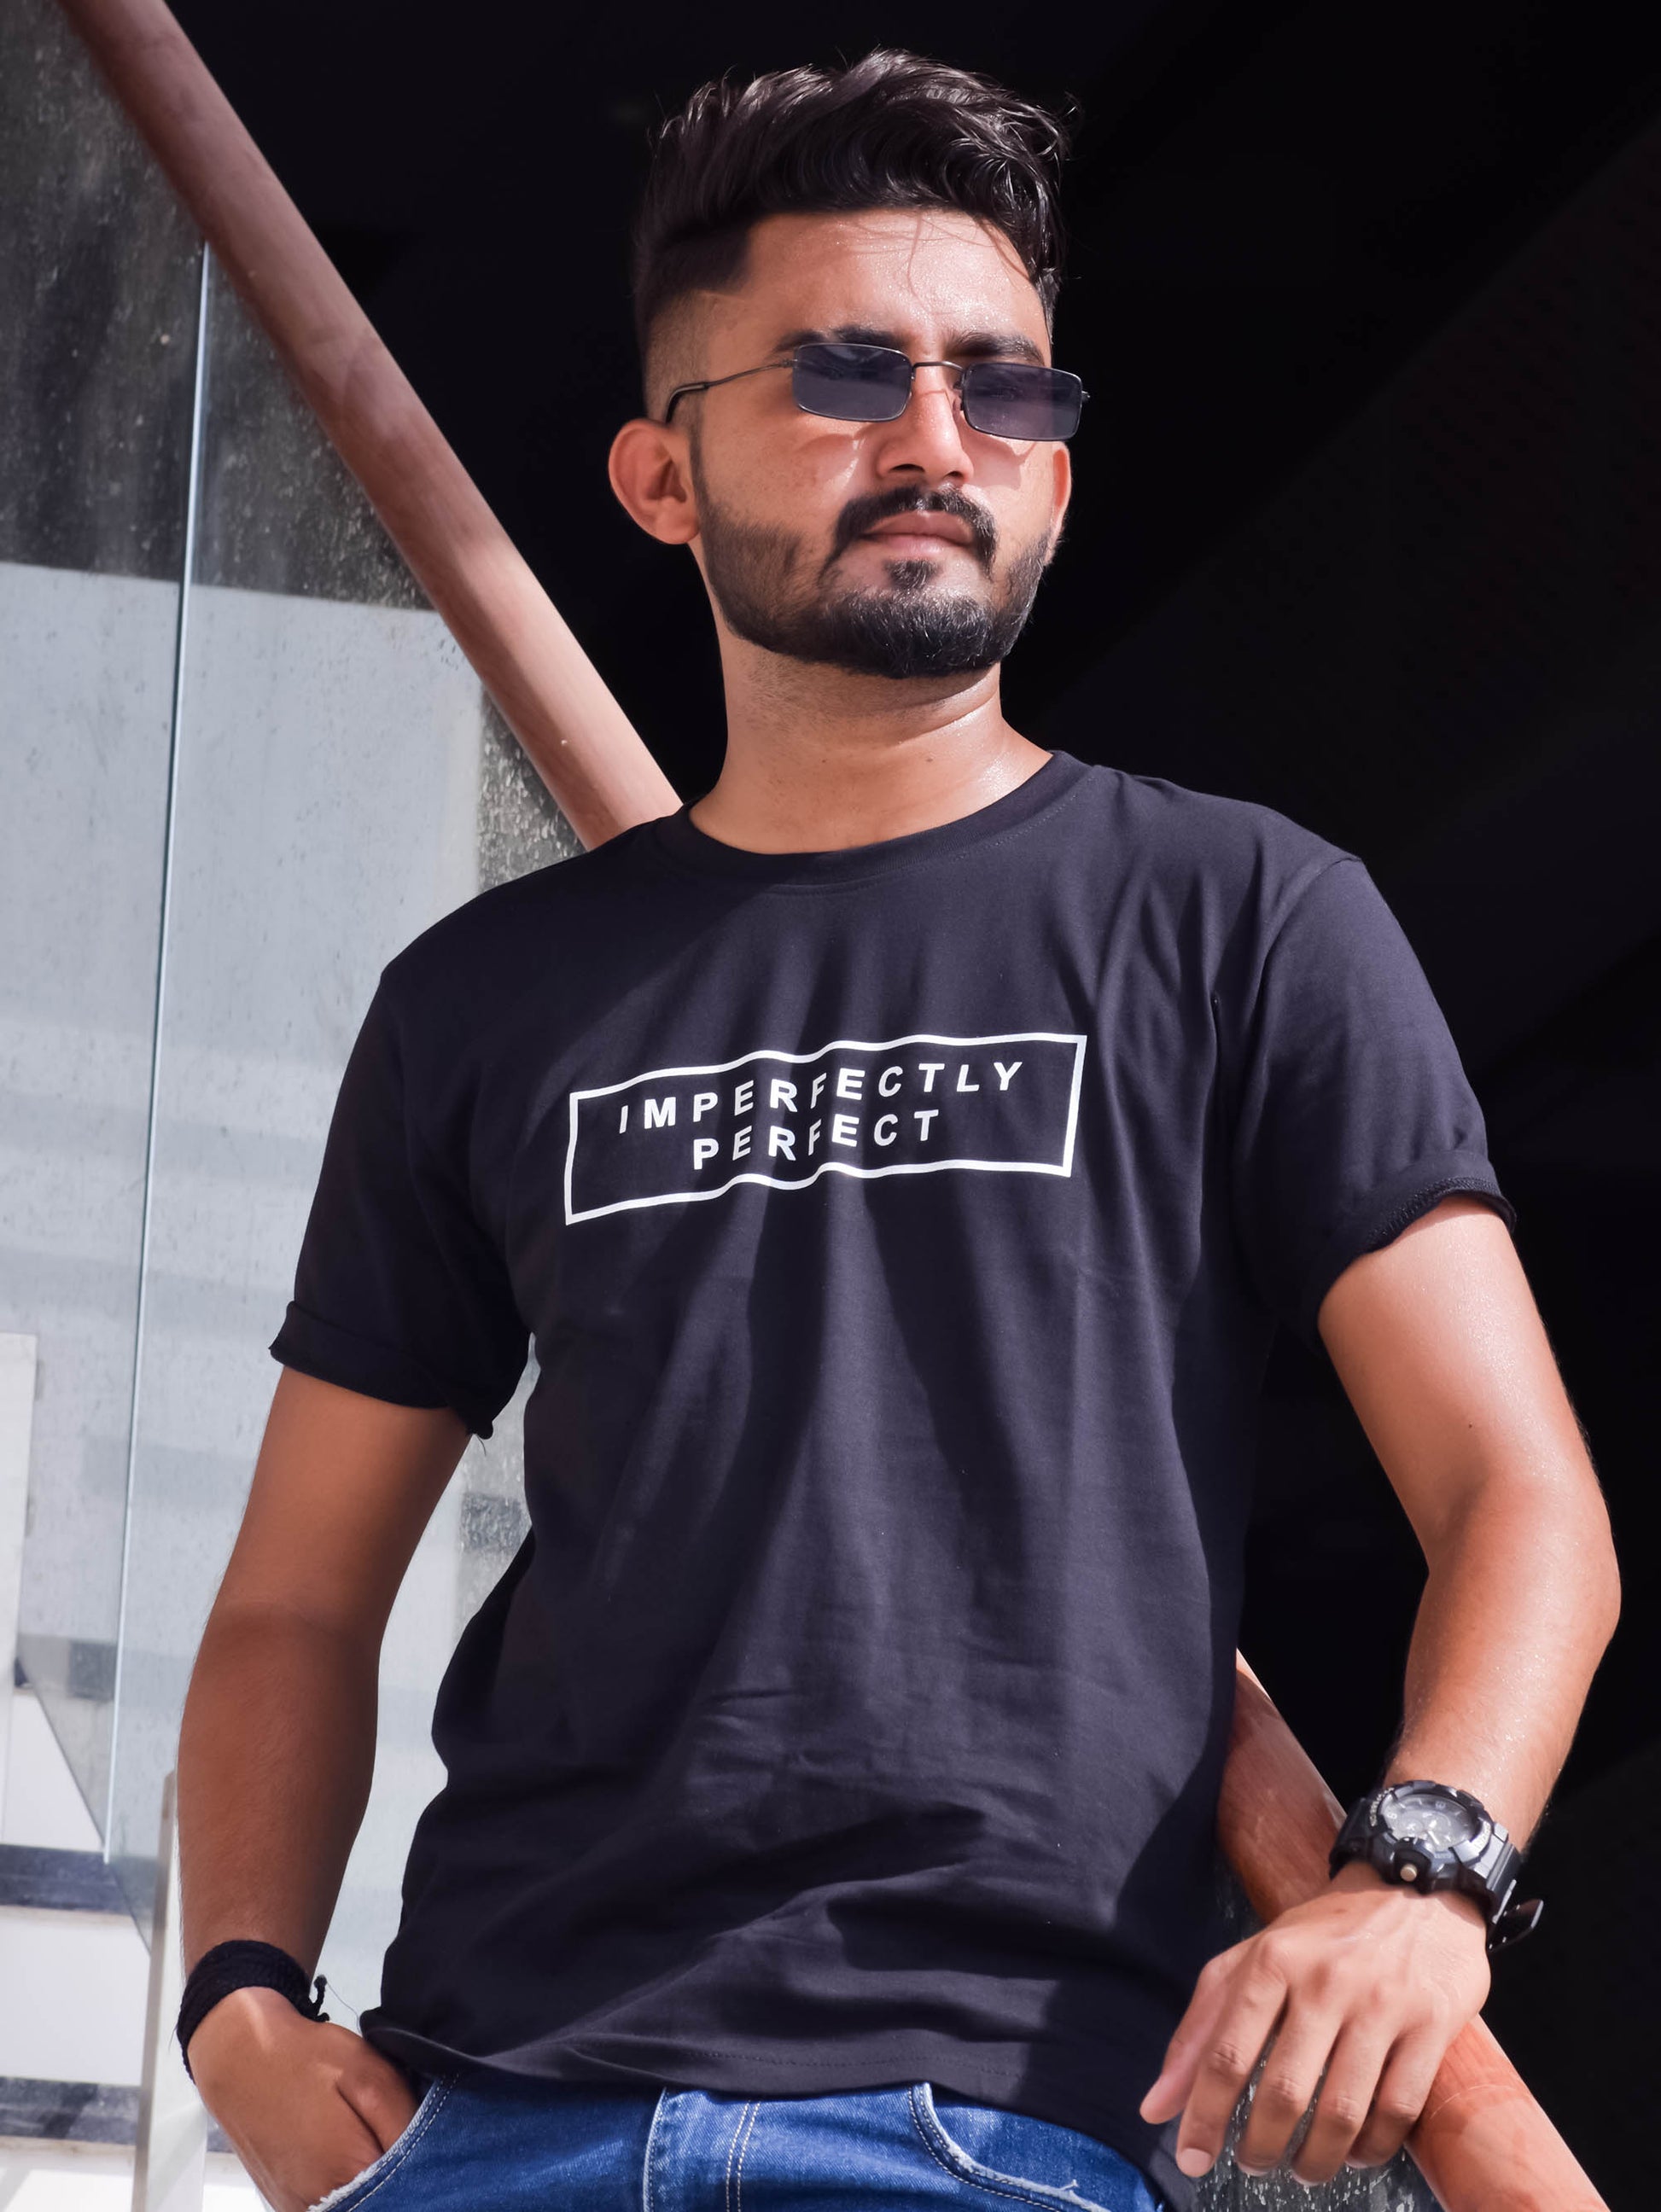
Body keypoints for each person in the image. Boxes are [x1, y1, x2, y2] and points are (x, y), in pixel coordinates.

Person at [174, 49, 1619, 2212]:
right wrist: (237, 1997)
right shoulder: (486, 999)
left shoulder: (1243, 917)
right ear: (660, 481)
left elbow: (1524, 1497)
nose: (940, 444)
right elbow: (296, 1594)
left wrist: (1422, 1877)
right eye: (847, 376)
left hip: (999, 2130)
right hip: (487, 2117)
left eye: (1003, 391)